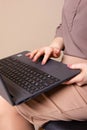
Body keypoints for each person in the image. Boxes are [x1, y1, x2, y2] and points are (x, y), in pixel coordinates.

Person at [1, 0, 87, 130]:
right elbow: (65, 26)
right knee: (8, 93)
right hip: (67, 72)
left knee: (9, 105)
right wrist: (54, 46)